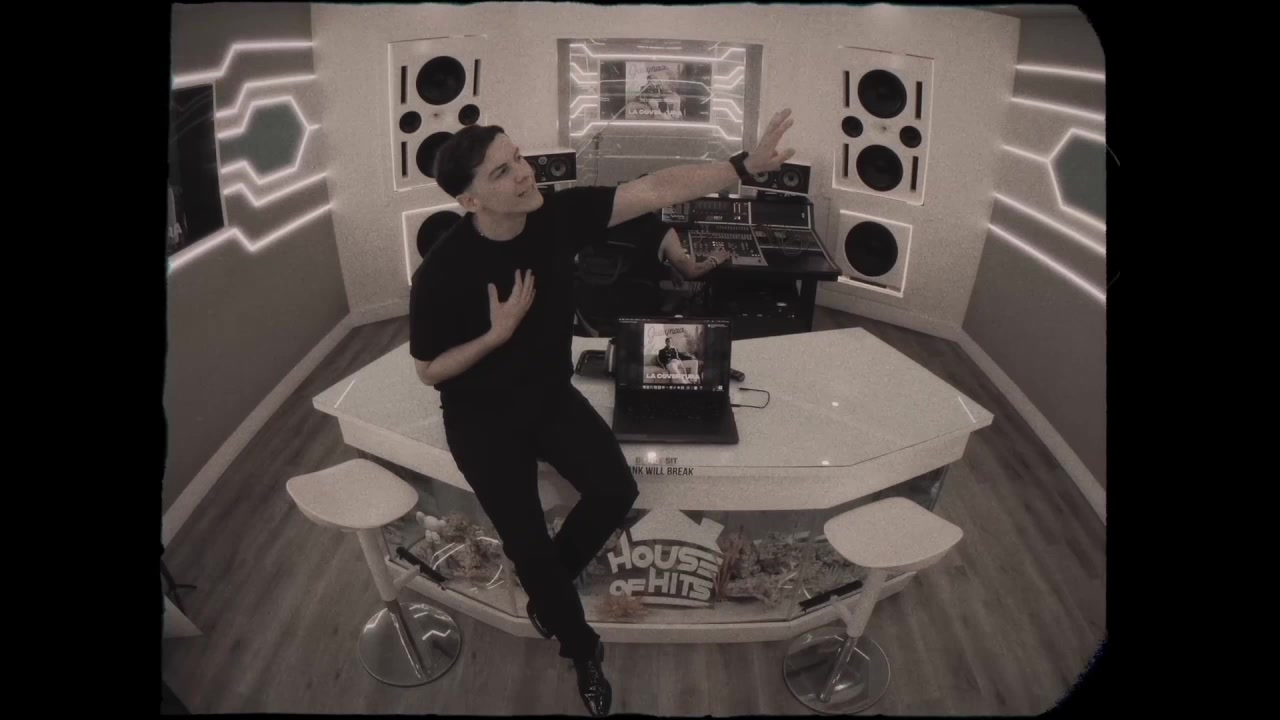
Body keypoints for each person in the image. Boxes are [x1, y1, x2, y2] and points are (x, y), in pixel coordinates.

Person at [409, 109, 796, 716]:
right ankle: (582, 648)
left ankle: (547, 586)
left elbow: (654, 188)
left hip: (548, 396)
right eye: (502, 171)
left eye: (519, 157)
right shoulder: (441, 271)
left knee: (615, 490)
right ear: (469, 199)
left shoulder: (555, 216)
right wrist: (495, 335)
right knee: (527, 540)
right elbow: (429, 369)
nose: (524, 173)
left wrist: (742, 166)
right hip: (480, 417)